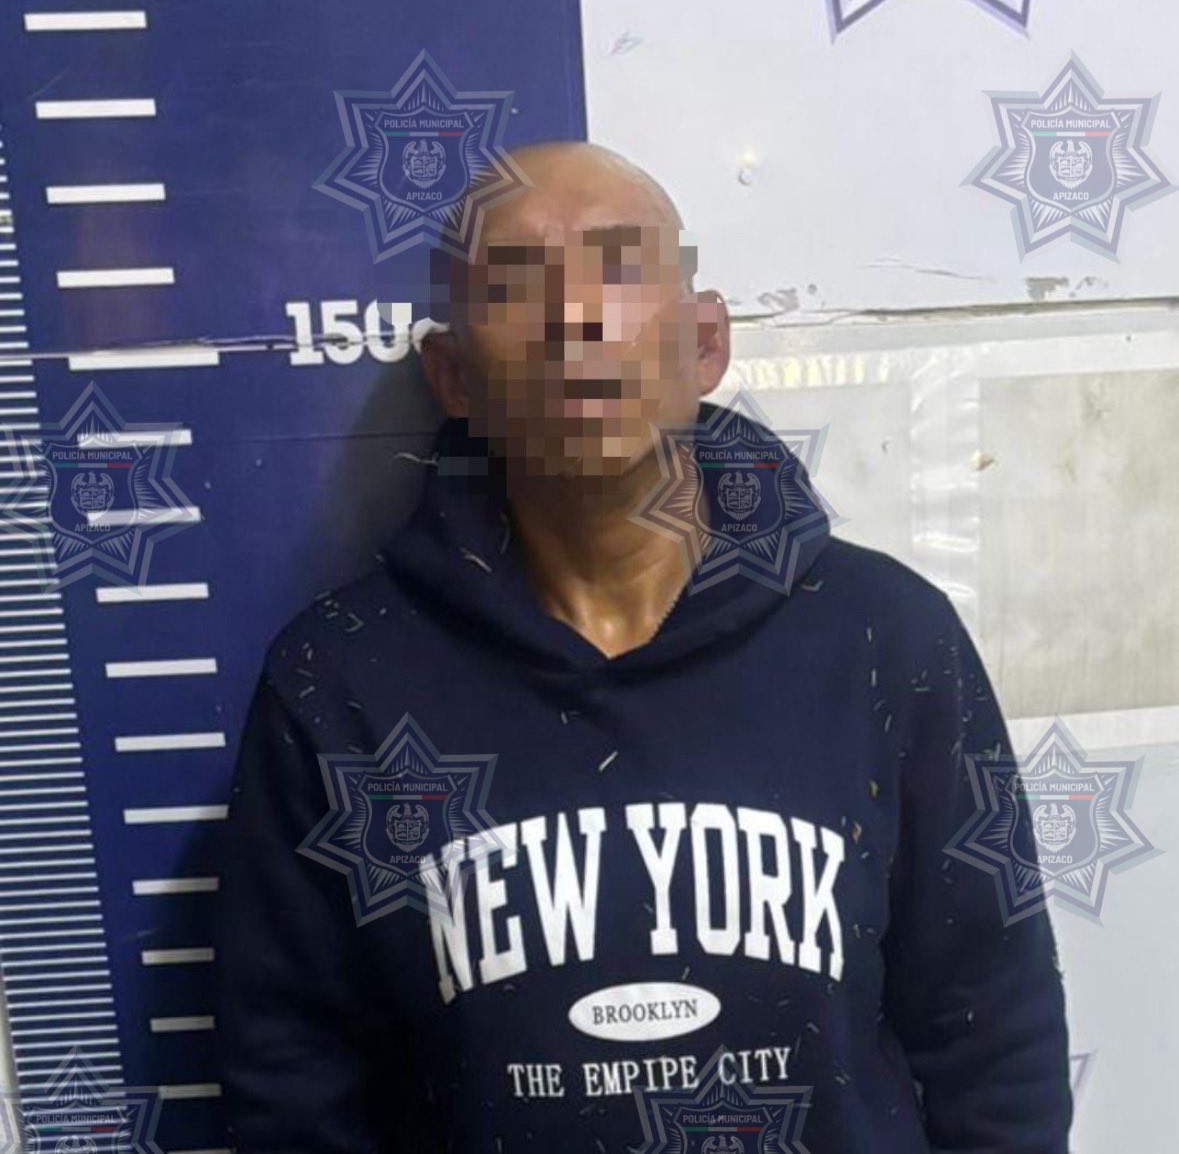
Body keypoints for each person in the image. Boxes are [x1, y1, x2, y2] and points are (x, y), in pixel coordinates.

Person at [215, 141, 1071, 1151]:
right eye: (515, 284)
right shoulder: (341, 681)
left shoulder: (886, 638)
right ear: (452, 374)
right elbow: (293, 1081)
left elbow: (994, 1035)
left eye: (619, 268)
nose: (575, 317)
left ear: (704, 343)